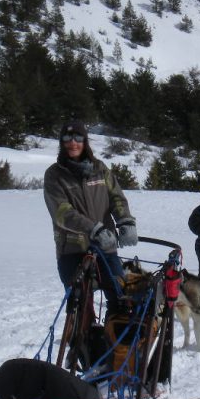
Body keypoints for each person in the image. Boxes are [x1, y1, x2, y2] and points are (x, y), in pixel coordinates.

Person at [44, 120, 138, 315]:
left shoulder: (100, 168)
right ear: (62, 142)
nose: (73, 143)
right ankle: (81, 344)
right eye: (67, 138)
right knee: (80, 307)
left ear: (85, 141)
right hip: (72, 249)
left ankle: (114, 342)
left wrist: (125, 221)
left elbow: (116, 198)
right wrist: (92, 228)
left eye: (78, 138)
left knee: (119, 296)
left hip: (105, 247)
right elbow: (62, 213)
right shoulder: (54, 174)